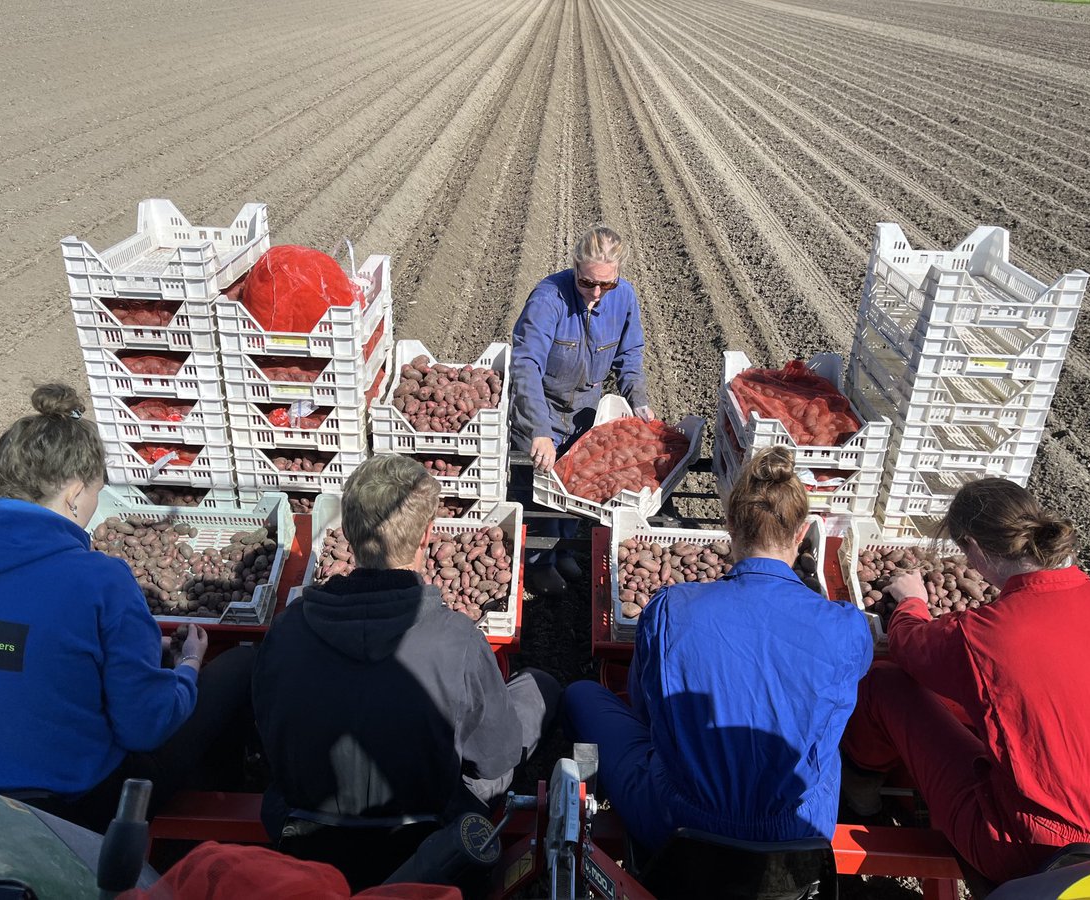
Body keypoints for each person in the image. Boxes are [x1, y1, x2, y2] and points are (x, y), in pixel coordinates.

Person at [0, 384, 255, 832]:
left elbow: (16, 653)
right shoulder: (99, 580)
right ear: (74, 493)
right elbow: (144, 726)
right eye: (96, 493)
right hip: (71, 808)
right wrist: (189, 666)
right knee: (240, 665)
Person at [563, 446, 873, 852]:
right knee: (826, 742)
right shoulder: (848, 626)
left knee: (580, 694)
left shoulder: (671, 608)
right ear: (802, 533)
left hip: (678, 827)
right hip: (797, 835)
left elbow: (645, 707)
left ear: (729, 524)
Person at [253, 454, 560, 842]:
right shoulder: (460, 640)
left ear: (346, 530)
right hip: (427, 833)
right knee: (539, 687)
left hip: (306, 828)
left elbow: (268, 734)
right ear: (427, 535)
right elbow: (494, 759)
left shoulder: (286, 631)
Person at [841, 477, 1090, 884]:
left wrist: (911, 602)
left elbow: (907, 646)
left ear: (974, 549)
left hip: (1027, 850)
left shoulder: (982, 634)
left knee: (883, 683)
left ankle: (861, 794)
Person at [509, 225, 653, 597]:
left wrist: (637, 399)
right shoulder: (548, 298)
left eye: (606, 285)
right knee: (539, 491)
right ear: (574, 267)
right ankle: (538, 563)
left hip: (585, 411)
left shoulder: (624, 298)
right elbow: (525, 364)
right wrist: (538, 427)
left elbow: (630, 355)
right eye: (587, 283)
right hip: (542, 406)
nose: (595, 294)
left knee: (576, 489)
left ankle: (564, 549)